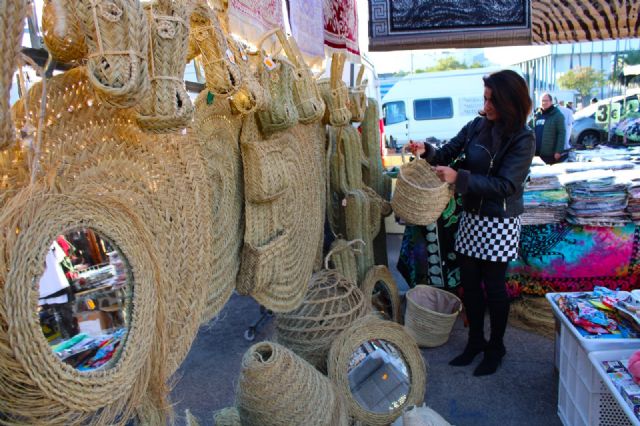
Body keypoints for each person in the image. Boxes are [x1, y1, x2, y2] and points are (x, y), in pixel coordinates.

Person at [407, 69, 535, 376]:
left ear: (510, 102)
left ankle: (496, 347)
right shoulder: (477, 125)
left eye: (493, 100)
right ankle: (475, 341)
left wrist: (459, 177)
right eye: (485, 98)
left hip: (499, 222)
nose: (487, 105)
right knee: (470, 287)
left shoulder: (523, 137)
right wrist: (427, 151)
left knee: (493, 289)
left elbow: (506, 186)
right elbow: (448, 152)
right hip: (471, 218)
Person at [532, 93, 566, 164]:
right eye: (542, 101)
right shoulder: (537, 115)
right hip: (536, 154)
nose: (544, 103)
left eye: (546, 101)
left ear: (551, 102)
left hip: (549, 154)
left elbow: (561, 133)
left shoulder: (558, 116)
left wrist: (558, 151)